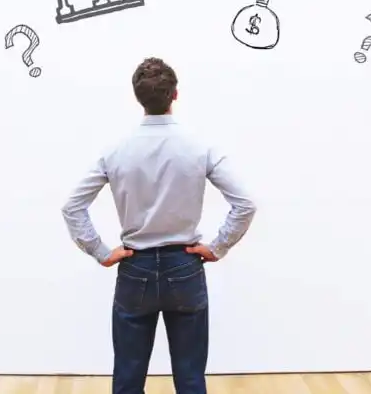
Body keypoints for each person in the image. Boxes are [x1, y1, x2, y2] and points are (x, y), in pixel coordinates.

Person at [60, 57, 257, 394]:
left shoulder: (116, 150)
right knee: (191, 377)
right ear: (175, 94)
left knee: (128, 378)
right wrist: (218, 246)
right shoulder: (200, 147)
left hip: (134, 268)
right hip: (185, 266)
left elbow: (72, 206)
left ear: (138, 97)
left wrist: (101, 252)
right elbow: (245, 203)